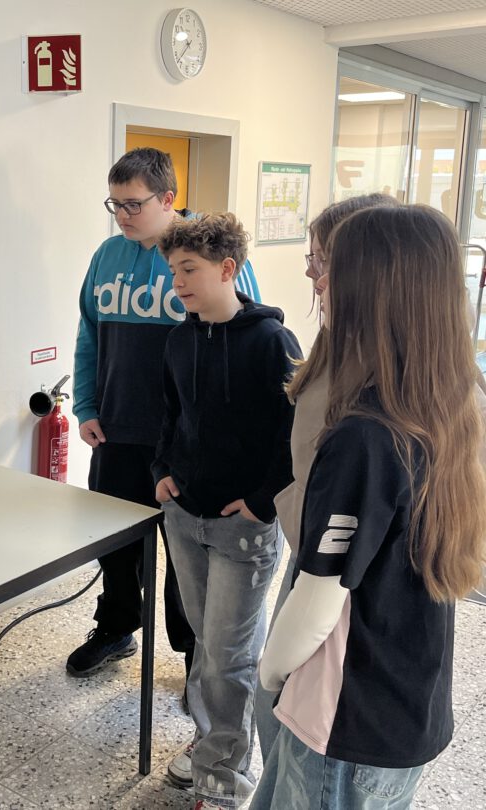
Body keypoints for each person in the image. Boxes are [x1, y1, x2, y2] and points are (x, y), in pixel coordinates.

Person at [252, 205, 486, 808]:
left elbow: (319, 599)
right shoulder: (448, 405)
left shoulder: (365, 436)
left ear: (377, 290)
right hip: (410, 700)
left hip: (347, 721)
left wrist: (271, 670)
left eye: (337, 269)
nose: (321, 284)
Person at [67, 148, 262, 685]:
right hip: (118, 429)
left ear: (168, 198)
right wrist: (85, 406)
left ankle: (194, 653)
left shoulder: (208, 255)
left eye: (133, 204)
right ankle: (116, 626)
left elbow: (244, 341)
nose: (122, 215)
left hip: (186, 441)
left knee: (186, 557)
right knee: (115, 543)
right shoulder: (108, 255)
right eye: (115, 204)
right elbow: (89, 334)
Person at [153, 213, 300, 809]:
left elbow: (295, 432)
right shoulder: (178, 339)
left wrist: (263, 502)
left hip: (243, 527)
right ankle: (211, 740)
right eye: (173, 271)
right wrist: (161, 471)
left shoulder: (272, 342)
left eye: (189, 269)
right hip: (185, 517)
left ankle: (222, 777)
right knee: (209, 645)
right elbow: (169, 415)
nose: (178, 282)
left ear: (227, 268)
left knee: (228, 656)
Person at [254, 193, 399, 759]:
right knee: (280, 723)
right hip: (315, 547)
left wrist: (274, 667)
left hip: (342, 569)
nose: (311, 274)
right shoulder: (337, 341)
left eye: (320, 259)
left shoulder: (379, 398)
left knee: (295, 722)